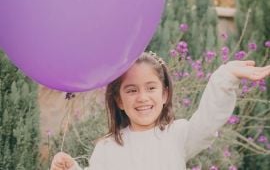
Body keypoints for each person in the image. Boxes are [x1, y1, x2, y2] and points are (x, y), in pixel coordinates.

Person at [50, 52, 270, 170]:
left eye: (151, 88)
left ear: (164, 94)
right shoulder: (107, 147)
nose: (143, 97)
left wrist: (224, 77)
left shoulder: (178, 135)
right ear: (118, 100)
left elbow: (208, 121)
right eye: (132, 90)